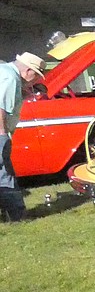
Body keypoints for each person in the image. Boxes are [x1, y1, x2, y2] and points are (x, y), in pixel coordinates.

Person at [0, 52, 45, 222]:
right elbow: (1, 107)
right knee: (4, 174)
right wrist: (2, 135)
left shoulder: (3, 71)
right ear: (27, 71)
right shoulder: (10, 78)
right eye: (36, 75)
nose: (35, 80)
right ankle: (16, 215)